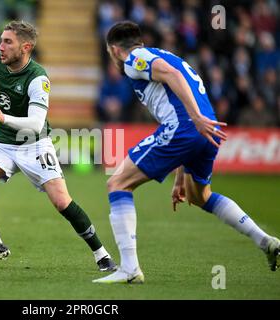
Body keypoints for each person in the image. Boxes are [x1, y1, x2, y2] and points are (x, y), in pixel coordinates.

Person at [93, 21, 280, 284]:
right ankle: (265, 241)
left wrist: (195, 118)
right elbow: (177, 89)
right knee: (199, 195)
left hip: (190, 126)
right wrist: (181, 174)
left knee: (117, 183)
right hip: (205, 132)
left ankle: (129, 268)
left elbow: (173, 76)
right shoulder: (163, 54)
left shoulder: (134, 58)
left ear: (113, 50)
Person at [0, 20, 116, 272]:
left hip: (35, 146)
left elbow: (35, 123)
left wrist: (3, 117)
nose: (1, 47)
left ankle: (102, 255)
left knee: (62, 202)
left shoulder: (37, 78)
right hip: (3, 145)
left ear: (26, 47)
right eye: (1, 40)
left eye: (8, 42)